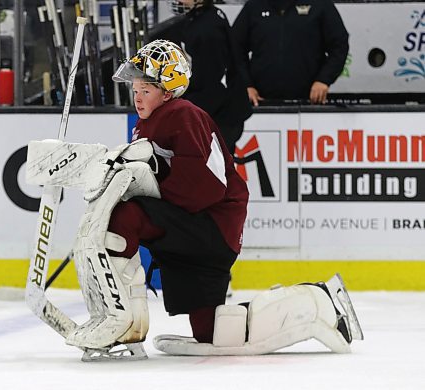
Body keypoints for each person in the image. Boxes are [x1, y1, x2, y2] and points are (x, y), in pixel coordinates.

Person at [52, 40, 363, 359]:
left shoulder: (182, 115)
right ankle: (320, 303)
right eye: (135, 89)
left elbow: (207, 187)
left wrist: (140, 181)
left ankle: (121, 320)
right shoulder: (152, 123)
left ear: (168, 91)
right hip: (205, 230)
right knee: (213, 332)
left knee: (123, 218)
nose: (137, 97)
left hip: (210, 226)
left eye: (146, 89)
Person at [149, 0, 252, 154]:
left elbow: (212, 82)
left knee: (210, 171)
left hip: (221, 116)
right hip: (217, 111)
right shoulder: (200, 17)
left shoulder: (208, 30)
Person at [232, 0, 349, 105]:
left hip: (309, 102)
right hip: (260, 102)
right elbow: (234, 48)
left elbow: (339, 45)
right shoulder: (254, 6)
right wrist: (246, 85)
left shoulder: (320, 4)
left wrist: (323, 80)